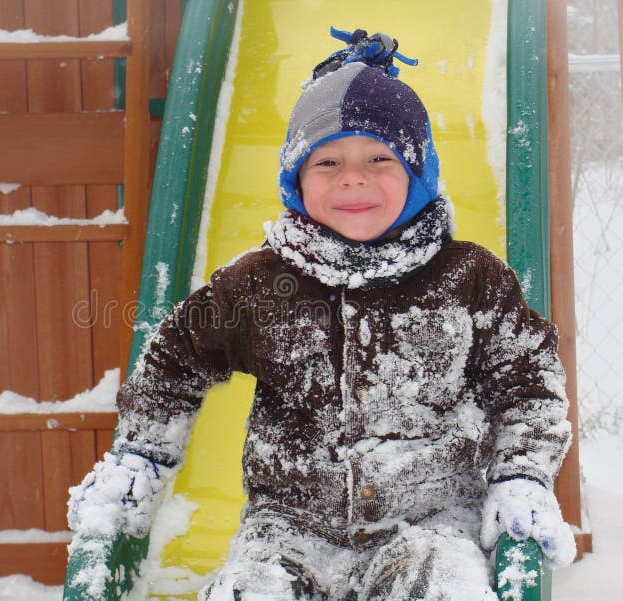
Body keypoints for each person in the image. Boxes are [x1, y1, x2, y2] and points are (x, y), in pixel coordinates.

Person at [68, 28, 576, 600]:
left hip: (431, 527)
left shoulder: (470, 279)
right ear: (295, 179)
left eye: (380, 158)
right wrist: (142, 452)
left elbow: (529, 382)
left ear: (419, 171)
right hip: (288, 529)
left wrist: (522, 474)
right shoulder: (259, 283)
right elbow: (173, 360)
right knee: (249, 590)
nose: (352, 177)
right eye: (327, 160)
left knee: (449, 587)